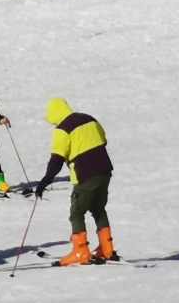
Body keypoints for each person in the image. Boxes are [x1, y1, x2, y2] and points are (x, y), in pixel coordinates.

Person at [32, 96, 116, 265]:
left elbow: (56, 160)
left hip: (85, 176)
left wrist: (45, 181)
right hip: (105, 171)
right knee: (99, 209)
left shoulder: (62, 130)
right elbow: (103, 139)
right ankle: (107, 249)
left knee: (76, 214)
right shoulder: (89, 119)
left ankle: (80, 251)